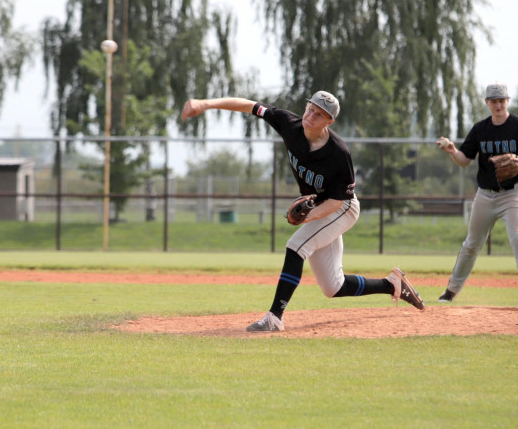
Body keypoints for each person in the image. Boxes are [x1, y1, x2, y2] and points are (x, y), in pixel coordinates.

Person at [181, 90, 425, 332]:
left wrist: (305, 217)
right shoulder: (289, 123)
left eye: (320, 114)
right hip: (322, 207)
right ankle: (392, 284)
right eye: (311, 108)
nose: (312, 115)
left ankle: (275, 317)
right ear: (306, 106)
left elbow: (337, 203)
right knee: (333, 287)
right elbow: (250, 106)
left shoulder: (338, 153)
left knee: (297, 246)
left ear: (330, 121)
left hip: (342, 208)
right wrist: (205, 103)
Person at [435, 82, 518, 304]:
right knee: (472, 244)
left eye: (502, 100)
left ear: (508, 101)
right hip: (485, 195)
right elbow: (465, 160)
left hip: (513, 194)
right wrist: (453, 151)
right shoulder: (480, 129)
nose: (498, 105)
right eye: (494, 101)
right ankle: (451, 291)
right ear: (487, 103)